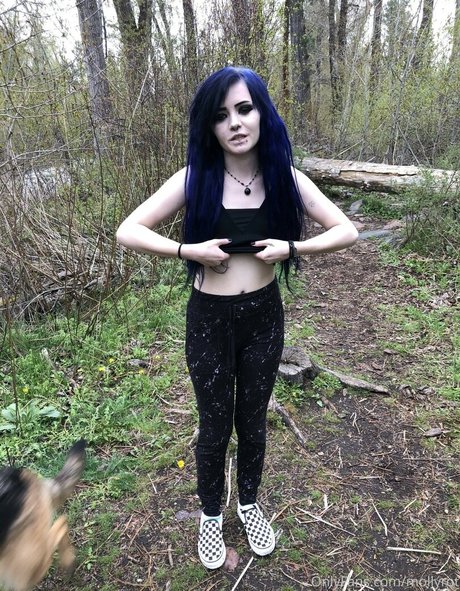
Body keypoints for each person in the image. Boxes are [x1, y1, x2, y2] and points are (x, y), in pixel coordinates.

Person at [116, 66, 358, 569]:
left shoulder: (285, 177)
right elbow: (128, 230)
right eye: (221, 115)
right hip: (209, 319)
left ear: (262, 113)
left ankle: (248, 503)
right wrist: (187, 250)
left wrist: (294, 247)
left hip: (264, 317)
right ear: (210, 126)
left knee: (253, 420)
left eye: (245, 109)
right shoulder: (195, 178)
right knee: (213, 424)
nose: (235, 123)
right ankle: (210, 513)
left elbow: (346, 230)